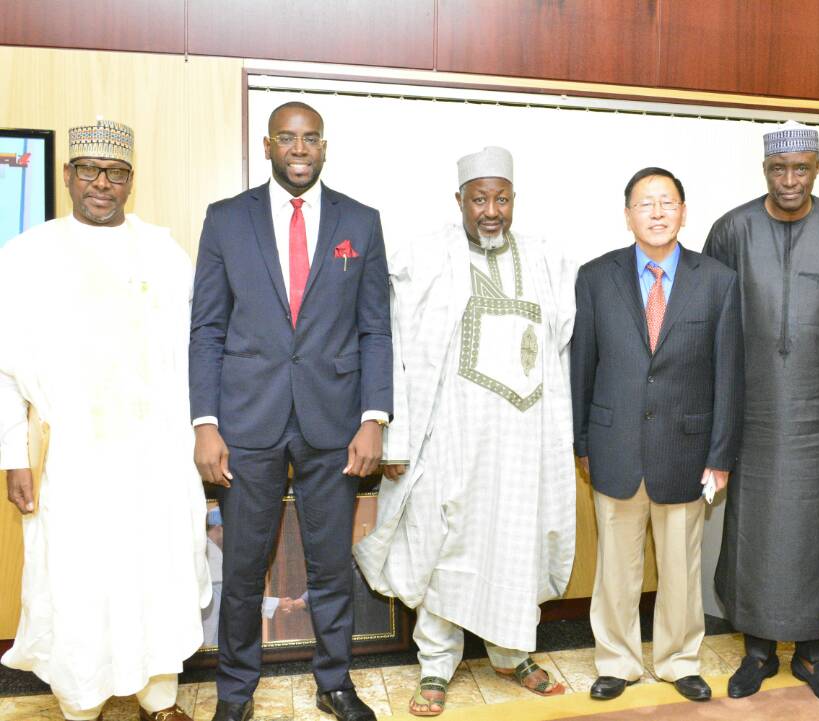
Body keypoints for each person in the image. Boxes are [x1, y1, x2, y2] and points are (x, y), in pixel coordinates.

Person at [354, 146, 577, 717]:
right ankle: (435, 667)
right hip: (450, 439)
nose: (491, 210)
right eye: (479, 198)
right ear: (460, 200)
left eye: (501, 198)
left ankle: (514, 655)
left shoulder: (546, 258)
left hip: (522, 443)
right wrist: (397, 439)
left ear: (513, 201)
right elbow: (397, 350)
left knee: (516, 547)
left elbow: (557, 352)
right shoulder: (423, 260)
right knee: (444, 547)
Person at [0, 119, 210, 721]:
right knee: (76, 580)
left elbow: (198, 351)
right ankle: (81, 703)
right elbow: (6, 372)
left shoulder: (165, 255)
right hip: (71, 456)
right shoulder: (26, 257)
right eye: (89, 170)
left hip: (156, 452)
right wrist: (14, 456)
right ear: (68, 176)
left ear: (130, 182)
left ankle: (159, 699)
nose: (101, 184)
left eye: (115, 173)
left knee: (159, 570)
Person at [189, 101, 391, 721]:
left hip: (334, 426)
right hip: (247, 425)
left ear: (324, 147)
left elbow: (376, 330)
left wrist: (373, 417)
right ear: (270, 145)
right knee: (245, 572)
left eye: (310, 139)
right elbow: (207, 331)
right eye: (287, 138)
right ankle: (236, 694)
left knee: (332, 567)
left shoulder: (362, 220)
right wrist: (205, 424)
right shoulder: (226, 220)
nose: (299, 149)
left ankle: (334, 683)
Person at [705, 120, 819, 708]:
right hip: (752, 415)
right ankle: (756, 653)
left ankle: (813, 655)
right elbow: (713, 323)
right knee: (753, 532)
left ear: (817, 169)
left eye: (800, 168)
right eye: (779, 169)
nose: (789, 180)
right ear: (765, 171)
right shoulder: (731, 229)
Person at [571, 168, 743, 702]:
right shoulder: (595, 277)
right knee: (615, 569)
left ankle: (678, 659)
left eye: (667, 202)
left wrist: (720, 453)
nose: (657, 212)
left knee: (681, 567)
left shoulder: (717, 280)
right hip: (613, 445)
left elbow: (729, 375)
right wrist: (582, 443)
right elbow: (583, 365)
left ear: (684, 212)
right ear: (628, 215)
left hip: (686, 452)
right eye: (645, 203)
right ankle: (616, 662)